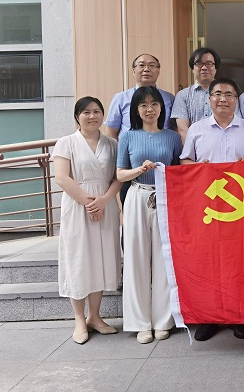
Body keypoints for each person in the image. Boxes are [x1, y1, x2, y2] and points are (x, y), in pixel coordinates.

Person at [180, 77, 244, 341]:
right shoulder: (197, 129)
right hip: (209, 210)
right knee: (209, 263)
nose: (223, 99)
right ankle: (211, 317)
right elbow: (184, 163)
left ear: (237, 100)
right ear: (209, 99)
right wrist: (198, 168)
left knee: (239, 264)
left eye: (229, 94)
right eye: (217, 93)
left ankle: (238, 316)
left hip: (241, 211)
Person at [53, 96, 122, 345]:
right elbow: (62, 178)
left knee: (99, 259)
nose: (92, 116)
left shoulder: (112, 144)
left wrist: (103, 201)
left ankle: (95, 316)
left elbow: (118, 177)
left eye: (96, 111)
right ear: (77, 116)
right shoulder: (66, 143)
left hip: (105, 204)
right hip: (77, 205)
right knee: (79, 258)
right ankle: (79, 319)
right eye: (86, 112)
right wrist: (88, 202)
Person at [116, 86, 183, 344]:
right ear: (136, 110)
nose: (149, 109)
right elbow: (120, 174)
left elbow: (179, 170)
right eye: (143, 105)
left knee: (164, 258)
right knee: (137, 258)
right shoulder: (128, 137)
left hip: (166, 198)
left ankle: (164, 320)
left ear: (161, 108)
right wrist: (139, 170)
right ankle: (140, 322)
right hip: (137, 195)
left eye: (154, 104)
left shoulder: (172, 137)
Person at [104, 53, 175, 205]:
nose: (146, 69)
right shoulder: (120, 98)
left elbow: (173, 128)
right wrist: (121, 161)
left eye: (151, 65)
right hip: (131, 164)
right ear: (134, 70)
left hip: (164, 164)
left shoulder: (169, 98)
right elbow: (111, 133)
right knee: (132, 210)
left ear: (158, 71)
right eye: (141, 65)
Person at [172, 47, 221, 144]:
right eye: (199, 63)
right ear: (193, 69)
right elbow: (182, 129)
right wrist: (194, 150)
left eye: (209, 63)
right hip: (193, 149)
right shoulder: (182, 95)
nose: (204, 68)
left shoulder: (227, 95)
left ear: (215, 69)